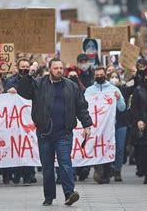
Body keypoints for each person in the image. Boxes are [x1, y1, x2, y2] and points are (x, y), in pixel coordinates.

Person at [17, 58, 93, 206]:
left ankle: (69, 193)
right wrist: (30, 74)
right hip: (45, 133)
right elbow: (23, 92)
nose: (59, 70)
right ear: (49, 69)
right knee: (47, 166)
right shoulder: (39, 83)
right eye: (56, 68)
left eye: (61, 68)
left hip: (64, 132)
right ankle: (49, 196)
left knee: (65, 163)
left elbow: (81, 106)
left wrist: (87, 125)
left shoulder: (71, 86)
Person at [85, 67, 126, 184]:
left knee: (109, 147)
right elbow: (84, 106)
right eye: (97, 75)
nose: (99, 77)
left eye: (101, 75)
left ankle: (108, 171)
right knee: (97, 146)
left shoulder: (114, 89)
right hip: (96, 126)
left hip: (110, 126)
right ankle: (99, 170)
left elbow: (122, 108)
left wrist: (118, 98)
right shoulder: (89, 91)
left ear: (105, 75)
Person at [4, 58, 37, 185]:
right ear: (17, 68)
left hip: (29, 118)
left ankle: (28, 175)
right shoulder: (10, 81)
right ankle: (17, 174)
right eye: (22, 66)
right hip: (15, 119)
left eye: (27, 66)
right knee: (17, 145)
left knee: (27, 144)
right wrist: (9, 92)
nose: (25, 68)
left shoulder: (34, 80)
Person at [108, 71, 129, 182]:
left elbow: (123, 108)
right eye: (112, 77)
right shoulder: (105, 91)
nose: (114, 79)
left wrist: (119, 97)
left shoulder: (123, 90)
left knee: (120, 148)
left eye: (116, 77)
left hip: (121, 123)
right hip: (108, 124)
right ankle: (109, 168)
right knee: (109, 147)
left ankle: (117, 171)